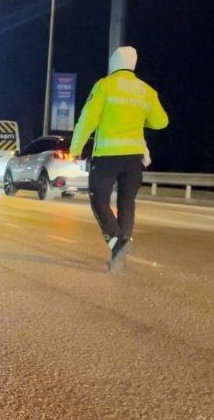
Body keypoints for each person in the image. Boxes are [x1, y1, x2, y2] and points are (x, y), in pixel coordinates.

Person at [70, 46, 169, 272]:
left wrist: (76, 147)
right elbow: (162, 121)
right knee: (126, 202)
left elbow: (87, 119)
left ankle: (117, 242)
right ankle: (120, 251)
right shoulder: (146, 91)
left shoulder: (105, 85)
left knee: (99, 200)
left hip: (106, 157)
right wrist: (138, 118)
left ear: (113, 62)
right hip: (134, 158)